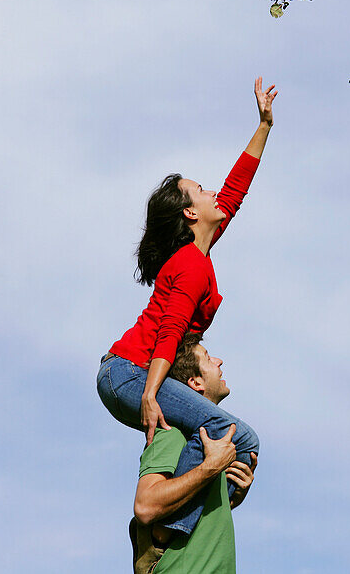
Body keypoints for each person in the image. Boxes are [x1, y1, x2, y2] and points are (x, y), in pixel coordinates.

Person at [98, 76, 275, 536]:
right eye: (201, 189)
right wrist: (152, 393)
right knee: (235, 434)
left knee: (238, 442)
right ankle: (164, 532)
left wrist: (264, 126)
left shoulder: (200, 249)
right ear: (190, 213)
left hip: (135, 371)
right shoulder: (192, 264)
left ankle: (183, 515)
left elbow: (236, 190)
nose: (215, 191)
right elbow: (169, 332)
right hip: (131, 372)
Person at [129, 334, 257, 574]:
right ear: (195, 383)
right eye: (208, 359)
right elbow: (146, 507)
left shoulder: (214, 445)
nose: (219, 362)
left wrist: (233, 498)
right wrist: (210, 468)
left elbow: (197, 517)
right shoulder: (172, 433)